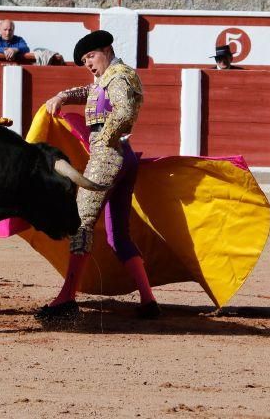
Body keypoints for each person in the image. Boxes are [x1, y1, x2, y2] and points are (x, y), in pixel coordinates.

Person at [37, 30, 159, 321]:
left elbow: (125, 110)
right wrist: (63, 96)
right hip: (124, 156)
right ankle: (148, 299)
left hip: (108, 155)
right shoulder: (109, 77)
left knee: (81, 223)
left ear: (106, 49)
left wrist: (103, 139)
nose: (88, 64)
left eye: (91, 56)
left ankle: (66, 297)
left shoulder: (117, 75)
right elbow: (89, 92)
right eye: (83, 60)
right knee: (118, 233)